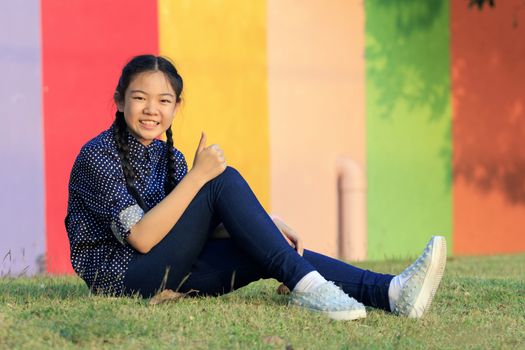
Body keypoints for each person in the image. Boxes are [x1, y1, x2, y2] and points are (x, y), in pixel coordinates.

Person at [65, 54, 447, 321]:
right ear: (119, 101)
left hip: (167, 270)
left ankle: (392, 293)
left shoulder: (172, 157)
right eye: (139, 98)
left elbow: (188, 226)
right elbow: (144, 238)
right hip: (127, 280)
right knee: (222, 179)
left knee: (261, 245)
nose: (152, 109)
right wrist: (199, 177)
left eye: (163, 100)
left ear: (177, 107)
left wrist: (262, 225)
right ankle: (307, 286)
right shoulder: (98, 155)